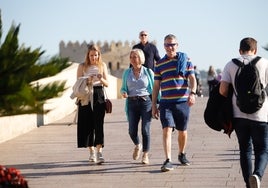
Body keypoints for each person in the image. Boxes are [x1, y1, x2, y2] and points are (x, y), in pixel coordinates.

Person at [219, 37, 268, 188]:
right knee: (262, 149)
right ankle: (257, 175)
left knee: (245, 149)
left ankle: (249, 183)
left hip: (239, 114)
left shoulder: (231, 64)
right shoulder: (264, 63)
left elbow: (223, 90)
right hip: (261, 114)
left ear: (240, 51)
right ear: (255, 50)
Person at [151, 34, 197, 172]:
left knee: (182, 131)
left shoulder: (185, 60)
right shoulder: (159, 64)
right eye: (167, 45)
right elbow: (156, 86)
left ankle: (181, 154)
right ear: (164, 46)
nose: (170, 47)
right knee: (167, 129)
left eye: (172, 44)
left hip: (182, 102)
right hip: (166, 103)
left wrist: (193, 93)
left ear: (177, 45)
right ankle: (168, 160)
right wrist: (154, 104)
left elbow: (192, 79)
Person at [76, 44, 109, 164]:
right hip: (85, 96)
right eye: (91, 55)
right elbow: (78, 83)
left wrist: (100, 79)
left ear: (99, 55)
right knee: (87, 125)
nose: (93, 57)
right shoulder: (82, 66)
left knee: (99, 124)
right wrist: (87, 80)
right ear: (88, 55)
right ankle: (91, 152)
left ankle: (99, 151)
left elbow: (107, 83)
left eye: (96, 55)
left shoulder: (102, 65)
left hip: (98, 94)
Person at [121, 48, 154, 164]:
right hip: (131, 103)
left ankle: (145, 154)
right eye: (131, 57)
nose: (133, 59)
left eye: (135, 57)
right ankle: (138, 145)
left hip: (146, 102)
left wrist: (156, 104)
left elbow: (155, 89)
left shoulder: (148, 72)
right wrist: (124, 92)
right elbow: (123, 88)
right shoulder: (126, 73)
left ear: (141, 58)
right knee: (131, 131)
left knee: (145, 129)